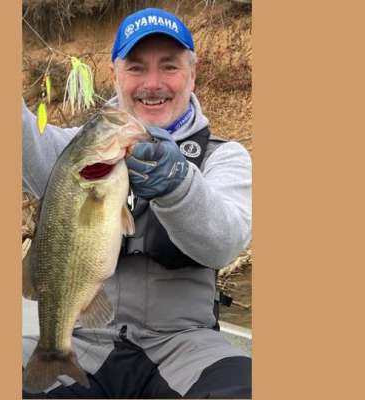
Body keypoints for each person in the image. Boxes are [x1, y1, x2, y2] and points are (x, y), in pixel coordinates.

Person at [22, 7, 252, 399]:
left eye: (169, 66)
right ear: (115, 75)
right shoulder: (80, 150)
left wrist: (179, 184)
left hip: (185, 346)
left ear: (192, 75)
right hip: (85, 340)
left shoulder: (225, 157)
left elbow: (225, 243)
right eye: (136, 68)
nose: (152, 83)